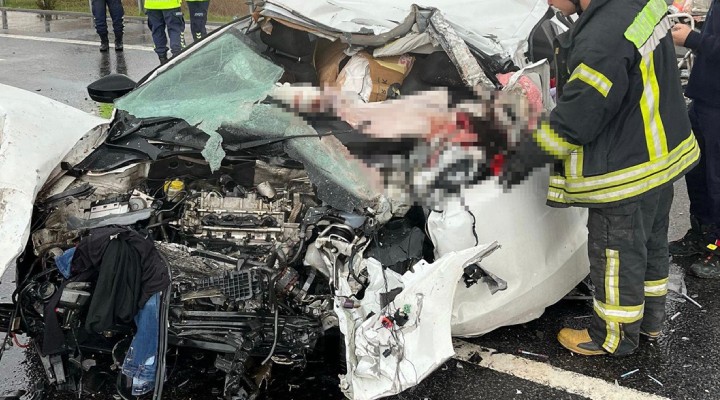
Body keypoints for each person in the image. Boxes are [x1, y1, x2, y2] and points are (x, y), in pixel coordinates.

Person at [500, 0, 700, 356]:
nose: (547, 2)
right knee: (649, 247)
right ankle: (650, 323)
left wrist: (519, 156)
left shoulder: (601, 38)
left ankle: (613, 337)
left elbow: (578, 118)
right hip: (655, 160)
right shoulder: (640, 5)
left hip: (623, 172)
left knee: (615, 258)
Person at [670, 0, 720, 278]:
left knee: (717, 180)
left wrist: (692, 38)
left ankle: (718, 248)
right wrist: (697, 28)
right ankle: (702, 234)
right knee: (697, 173)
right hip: (705, 99)